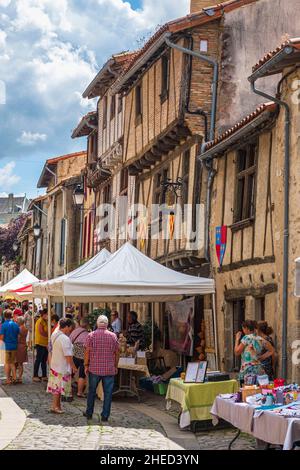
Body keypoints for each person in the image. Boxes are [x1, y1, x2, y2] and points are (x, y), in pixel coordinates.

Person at [83, 315, 119, 421]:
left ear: (97, 324)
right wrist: (116, 366)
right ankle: (105, 416)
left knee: (92, 391)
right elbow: (117, 352)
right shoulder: (113, 336)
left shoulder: (91, 335)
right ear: (107, 324)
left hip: (94, 368)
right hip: (109, 369)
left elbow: (87, 352)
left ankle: (89, 413)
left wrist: (86, 365)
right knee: (108, 393)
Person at [47, 318, 77, 414]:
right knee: (58, 388)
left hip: (55, 363)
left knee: (57, 388)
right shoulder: (65, 338)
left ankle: (56, 405)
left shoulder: (55, 334)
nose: (71, 330)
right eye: (70, 327)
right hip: (62, 366)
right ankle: (55, 406)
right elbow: (68, 356)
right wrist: (73, 367)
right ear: (67, 327)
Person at [70, 318, 90, 398]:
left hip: (75, 355)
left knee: (71, 373)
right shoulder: (88, 334)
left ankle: (68, 391)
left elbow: (70, 340)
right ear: (87, 325)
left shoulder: (75, 331)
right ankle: (79, 392)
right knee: (82, 375)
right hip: (83, 356)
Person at [0, 310, 20, 385]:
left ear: (4, 316)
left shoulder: (3, 325)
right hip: (14, 345)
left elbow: (1, 337)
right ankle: (14, 377)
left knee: (7, 363)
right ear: (11, 315)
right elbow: (18, 336)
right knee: (12, 362)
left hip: (6, 346)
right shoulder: (15, 324)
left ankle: (8, 379)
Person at [33, 308, 49, 382]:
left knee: (44, 360)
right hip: (40, 342)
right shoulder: (40, 321)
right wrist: (49, 335)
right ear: (44, 314)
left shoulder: (45, 321)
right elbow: (41, 331)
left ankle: (44, 375)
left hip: (45, 343)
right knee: (38, 359)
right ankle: (35, 375)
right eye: (48, 314)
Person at [15, 316, 28, 384]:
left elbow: (18, 338)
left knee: (16, 363)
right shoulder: (25, 328)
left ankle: (16, 377)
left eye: (17, 321)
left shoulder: (19, 329)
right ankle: (20, 377)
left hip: (18, 346)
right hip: (23, 345)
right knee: (21, 364)